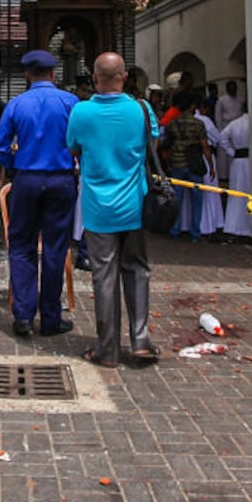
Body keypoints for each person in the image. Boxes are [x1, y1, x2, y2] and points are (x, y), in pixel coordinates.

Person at [68, 52, 160, 367]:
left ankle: (107, 349)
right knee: (137, 271)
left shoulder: (81, 112)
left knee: (103, 277)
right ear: (124, 76)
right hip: (134, 204)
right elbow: (152, 147)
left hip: (98, 208)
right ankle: (140, 342)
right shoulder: (141, 110)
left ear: (95, 77)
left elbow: (74, 147)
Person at [0, 49, 79, 337]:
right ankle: (51, 319)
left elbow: (1, 148)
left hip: (27, 179)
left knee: (21, 246)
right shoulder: (70, 102)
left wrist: (15, 167)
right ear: (54, 73)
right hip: (61, 179)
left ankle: (24, 316)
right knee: (56, 247)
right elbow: (79, 141)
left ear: (27, 75)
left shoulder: (16, 105)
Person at [162, 91, 211, 240]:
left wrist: (168, 164)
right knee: (197, 201)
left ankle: (175, 230)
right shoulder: (198, 124)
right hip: (195, 164)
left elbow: (167, 146)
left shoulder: (172, 124)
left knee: (177, 201)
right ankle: (195, 233)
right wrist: (211, 166)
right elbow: (205, 147)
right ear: (192, 107)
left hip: (177, 164)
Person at [196, 97, 232, 237]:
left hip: (191, 157)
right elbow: (217, 137)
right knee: (209, 190)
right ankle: (210, 224)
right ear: (203, 108)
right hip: (206, 155)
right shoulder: (205, 121)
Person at [222, 102, 252, 238]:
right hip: (250, 160)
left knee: (236, 193)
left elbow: (222, 137)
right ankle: (247, 225)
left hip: (238, 160)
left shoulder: (235, 124)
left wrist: (232, 152)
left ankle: (234, 225)